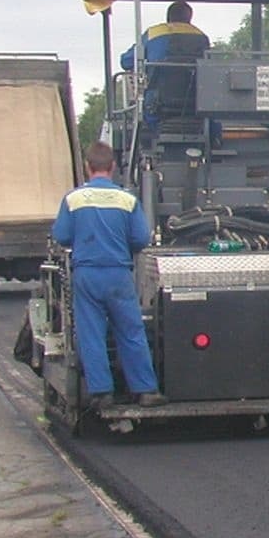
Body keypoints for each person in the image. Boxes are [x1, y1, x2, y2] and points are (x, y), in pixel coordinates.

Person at [52, 141, 167, 409]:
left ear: (87, 167)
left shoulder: (73, 199)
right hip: (118, 274)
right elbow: (141, 238)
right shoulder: (127, 200)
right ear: (113, 166)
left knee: (91, 333)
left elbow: (62, 235)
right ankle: (145, 390)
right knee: (131, 331)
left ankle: (102, 393)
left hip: (87, 275)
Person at [120, 0, 210, 71]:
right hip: (195, 88)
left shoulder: (154, 33)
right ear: (189, 18)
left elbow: (126, 62)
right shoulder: (202, 37)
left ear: (168, 17)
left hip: (157, 88)